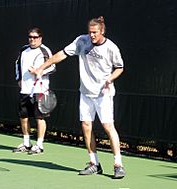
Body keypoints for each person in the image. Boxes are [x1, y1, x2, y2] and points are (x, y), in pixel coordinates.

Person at [32, 16, 126, 178]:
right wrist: (42, 67)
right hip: (85, 93)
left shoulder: (111, 48)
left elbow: (119, 67)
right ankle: (94, 163)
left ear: (102, 31)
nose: (92, 36)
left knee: (108, 127)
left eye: (95, 32)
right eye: (90, 32)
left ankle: (118, 164)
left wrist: (110, 78)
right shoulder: (81, 41)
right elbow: (62, 54)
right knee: (86, 126)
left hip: (103, 94)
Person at [13, 27, 55, 155]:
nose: (32, 39)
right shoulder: (23, 50)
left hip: (40, 90)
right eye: (30, 37)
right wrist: (18, 78)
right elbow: (17, 64)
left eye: (35, 37)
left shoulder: (45, 51)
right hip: (24, 90)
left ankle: (39, 145)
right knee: (24, 117)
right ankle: (26, 143)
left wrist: (39, 72)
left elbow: (52, 67)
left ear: (40, 38)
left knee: (39, 117)